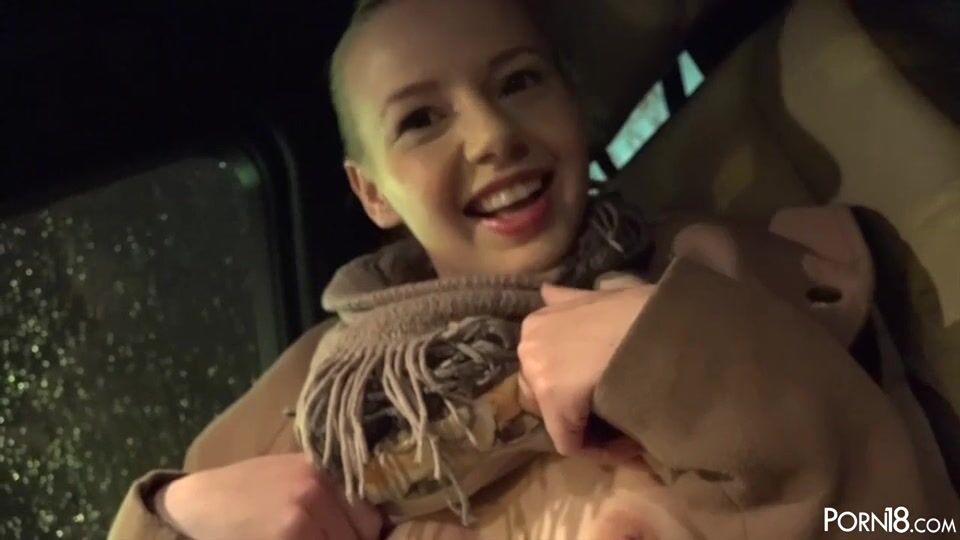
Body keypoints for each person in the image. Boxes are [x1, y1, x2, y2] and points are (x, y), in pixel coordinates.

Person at [108, 0, 959, 538]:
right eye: (421, 121)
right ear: (371, 193)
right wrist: (176, 517)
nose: (492, 136)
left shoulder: (738, 271)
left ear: (571, 103)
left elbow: (902, 524)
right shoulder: (312, 393)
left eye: (518, 81)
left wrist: (676, 359)